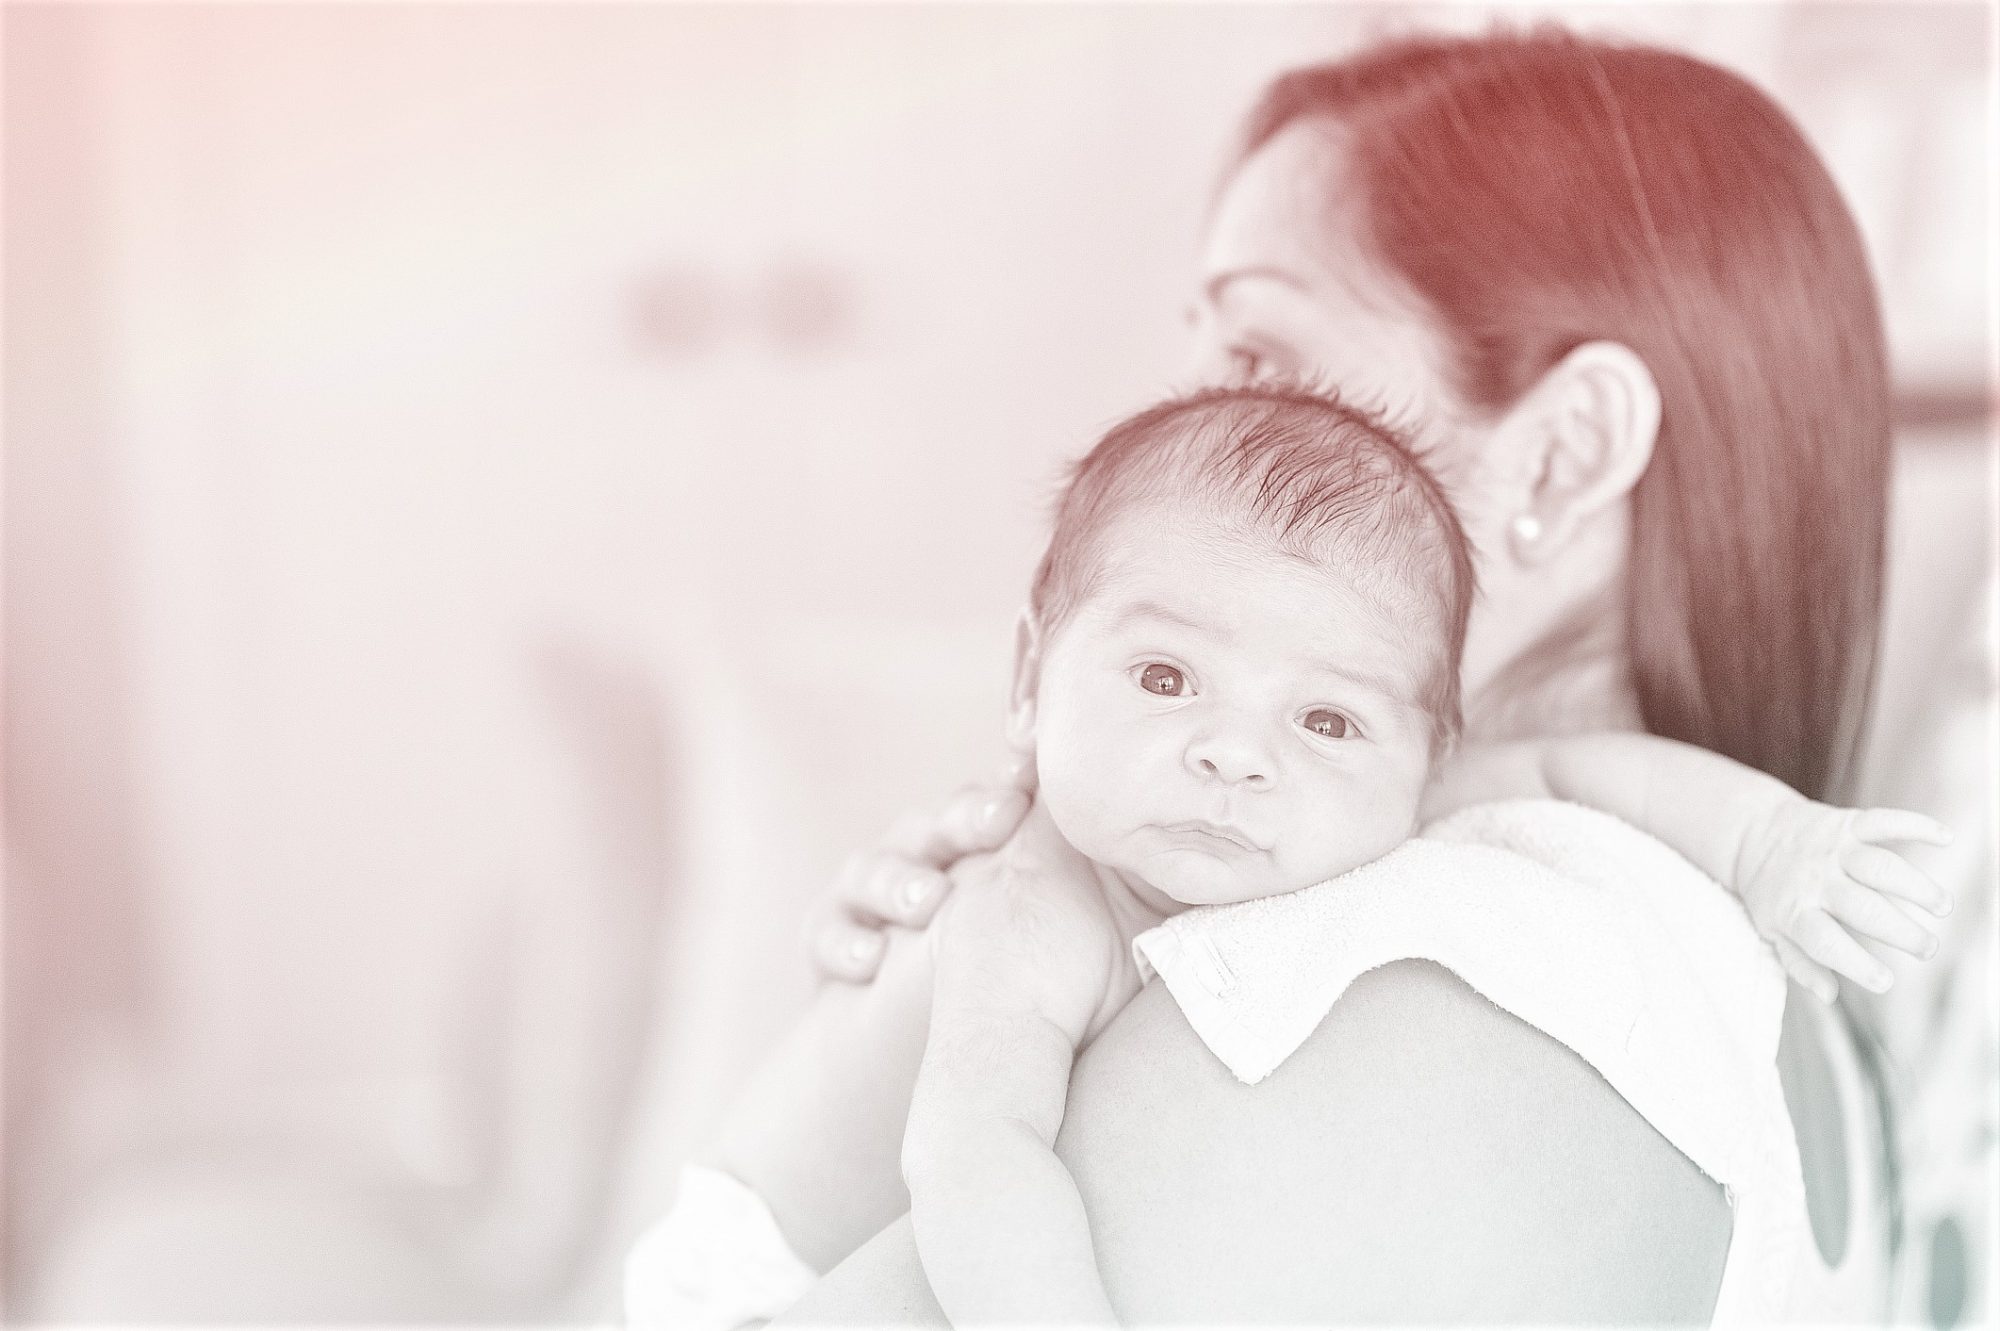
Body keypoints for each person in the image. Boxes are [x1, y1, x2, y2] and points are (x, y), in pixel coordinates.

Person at [664, 26, 1917, 1326]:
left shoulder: (1406, 995)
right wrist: (863, 1061)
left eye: (1259, 357)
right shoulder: (1744, 990)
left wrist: (796, 1122)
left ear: (1559, 457)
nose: (1190, 429)